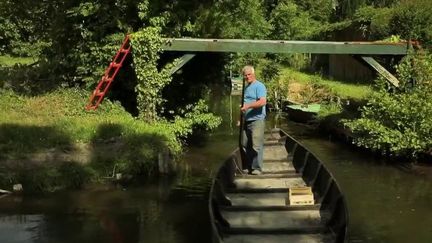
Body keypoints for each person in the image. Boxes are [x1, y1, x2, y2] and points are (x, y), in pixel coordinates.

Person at [240, 65, 266, 175]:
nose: (247, 77)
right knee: (244, 144)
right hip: (247, 120)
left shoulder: (259, 86)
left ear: (253, 74)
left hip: (257, 120)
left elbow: (262, 102)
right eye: (245, 75)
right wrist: (239, 119)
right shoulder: (246, 88)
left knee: (256, 145)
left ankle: (257, 168)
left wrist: (248, 106)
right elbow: (243, 105)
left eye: (249, 74)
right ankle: (249, 165)